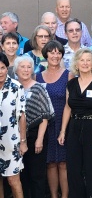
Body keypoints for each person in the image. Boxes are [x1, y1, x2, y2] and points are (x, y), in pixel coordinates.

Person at [57, 48, 92, 198]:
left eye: (88, 60)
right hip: (74, 128)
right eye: (82, 60)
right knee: (73, 168)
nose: (85, 63)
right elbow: (68, 107)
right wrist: (62, 131)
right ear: (77, 63)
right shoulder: (72, 84)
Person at [36, 41, 72, 198]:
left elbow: (69, 104)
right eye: (52, 52)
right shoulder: (37, 76)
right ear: (46, 54)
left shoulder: (68, 75)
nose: (55, 56)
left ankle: (64, 195)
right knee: (50, 163)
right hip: (45, 125)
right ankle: (53, 195)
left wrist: (63, 129)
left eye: (58, 52)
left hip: (63, 123)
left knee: (63, 163)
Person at [16, 55, 55, 198]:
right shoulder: (14, 87)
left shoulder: (39, 88)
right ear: (16, 69)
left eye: (29, 67)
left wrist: (39, 139)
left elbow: (45, 115)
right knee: (22, 175)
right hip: (17, 137)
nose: (26, 70)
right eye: (22, 67)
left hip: (36, 135)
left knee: (37, 175)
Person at [0, 52, 27, 197]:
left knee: (13, 180)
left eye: (3, 68)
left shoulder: (16, 87)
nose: (0, 71)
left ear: (7, 68)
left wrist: (23, 142)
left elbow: (22, 116)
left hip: (11, 142)